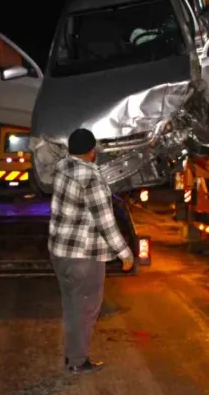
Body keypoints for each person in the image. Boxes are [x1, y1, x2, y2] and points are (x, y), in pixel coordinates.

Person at [49, 128, 135, 375]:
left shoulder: (62, 169)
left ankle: (72, 355)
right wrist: (124, 252)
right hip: (84, 256)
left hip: (60, 253)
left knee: (72, 306)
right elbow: (105, 222)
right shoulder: (90, 178)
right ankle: (78, 361)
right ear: (92, 151)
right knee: (86, 309)